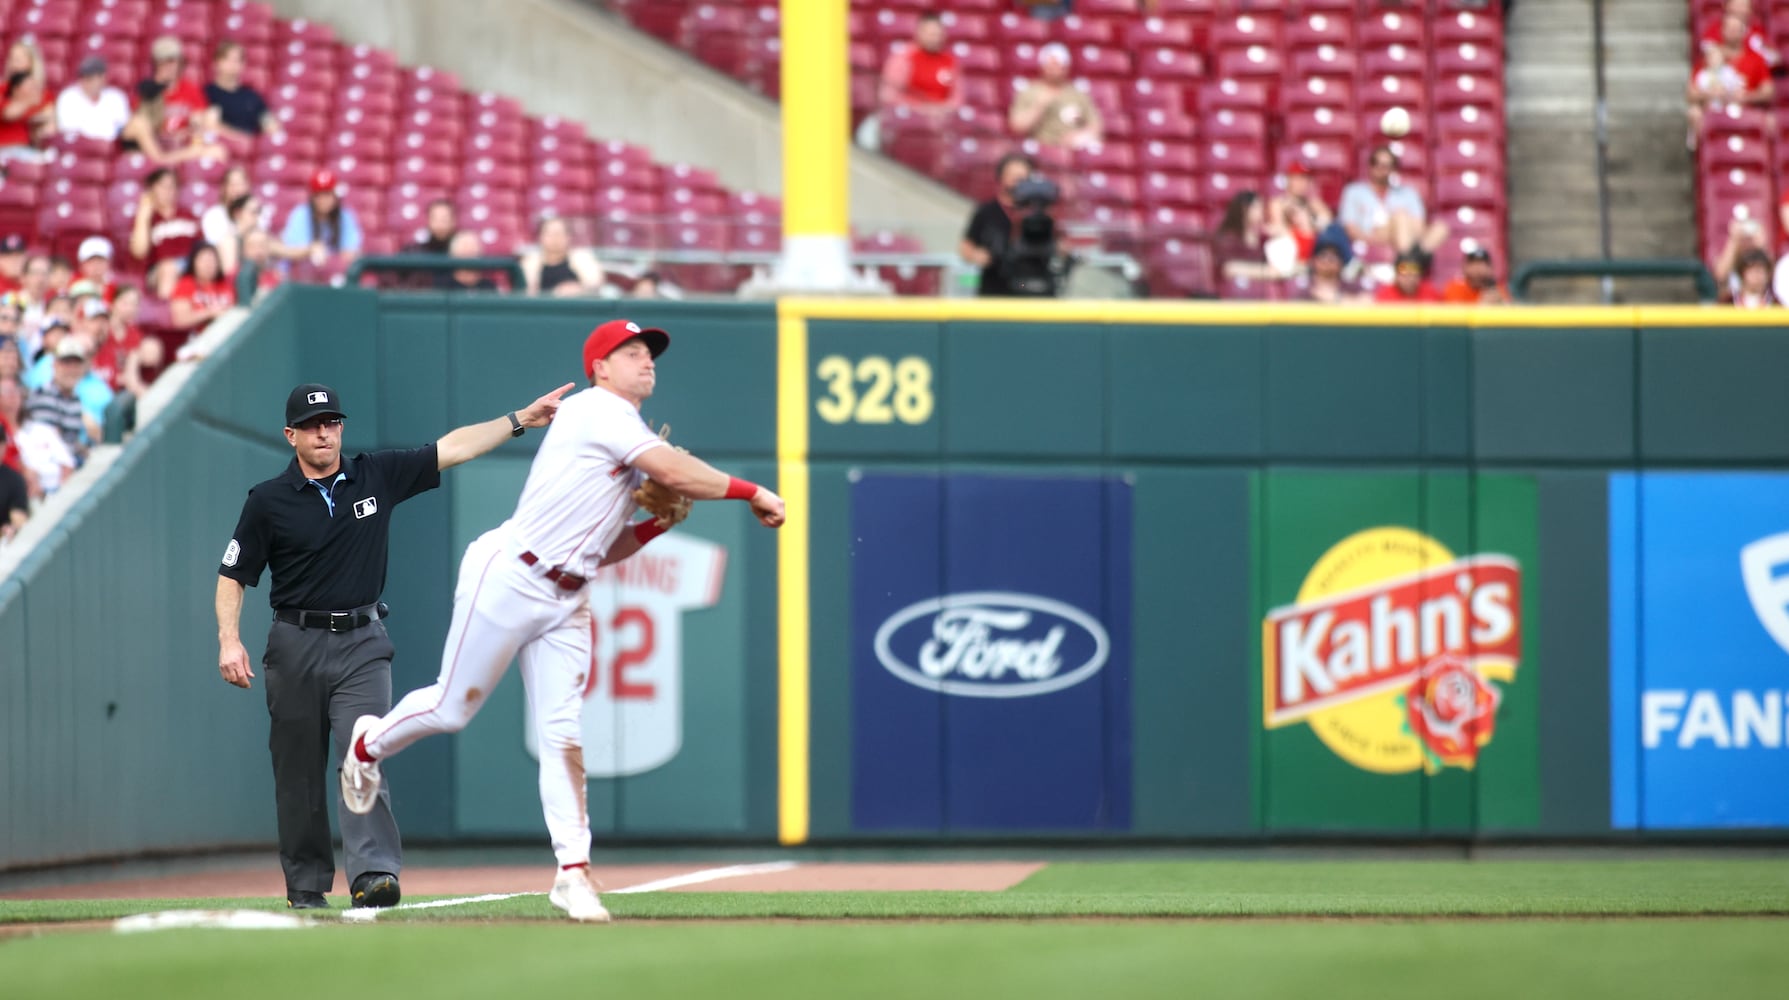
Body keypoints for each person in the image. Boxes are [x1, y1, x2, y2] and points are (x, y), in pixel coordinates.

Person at [337, 319, 786, 923]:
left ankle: (573, 873)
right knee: (451, 708)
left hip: (569, 599)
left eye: (649, 353)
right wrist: (752, 490)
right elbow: (679, 473)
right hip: (510, 574)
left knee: (563, 734)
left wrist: (655, 524)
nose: (646, 361)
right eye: (632, 352)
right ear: (600, 367)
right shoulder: (596, 411)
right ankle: (368, 744)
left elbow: (610, 549)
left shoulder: (630, 434)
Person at [215, 379, 575, 911]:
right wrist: (229, 640)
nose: (324, 433)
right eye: (312, 425)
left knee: (365, 751)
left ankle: (374, 873)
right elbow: (233, 574)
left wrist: (520, 418)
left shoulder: (373, 475)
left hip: (362, 641)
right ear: (291, 435)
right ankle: (307, 886)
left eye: (332, 422)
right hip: (294, 642)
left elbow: (453, 447)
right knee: (297, 774)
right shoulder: (267, 501)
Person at [857, 12, 961, 151]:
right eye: (930, 33)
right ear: (919, 32)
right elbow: (888, 95)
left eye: (937, 34)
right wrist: (923, 110)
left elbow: (956, 100)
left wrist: (938, 111)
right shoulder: (904, 58)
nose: (934, 38)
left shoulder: (950, 62)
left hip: (935, 127)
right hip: (905, 122)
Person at [1339, 146, 1448, 262]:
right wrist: (1379, 238)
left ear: (1393, 169)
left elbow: (1418, 227)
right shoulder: (1354, 192)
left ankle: (1411, 257)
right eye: (1376, 163)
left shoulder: (1408, 193)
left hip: (1408, 235)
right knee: (1400, 217)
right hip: (1373, 234)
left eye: (1386, 166)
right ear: (1370, 166)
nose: (1381, 169)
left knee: (1441, 228)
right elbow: (1350, 227)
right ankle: (1411, 261)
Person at [1686, 14, 1774, 149]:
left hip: (1746, 111)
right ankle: (1703, 158)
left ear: (1743, 32)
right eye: (1729, 28)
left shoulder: (1756, 59)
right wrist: (1711, 93)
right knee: (1695, 113)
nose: (1732, 32)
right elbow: (1691, 93)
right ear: (1722, 30)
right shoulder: (1709, 58)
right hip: (1714, 109)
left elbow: (1768, 92)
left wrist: (1746, 97)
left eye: (1736, 28)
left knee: (1770, 120)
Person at [959, 153, 1035, 297]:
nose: (1018, 182)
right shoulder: (986, 211)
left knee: (1024, 287)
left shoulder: (1035, 213)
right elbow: (966, 246)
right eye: (1013, 176)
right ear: (1001, 177)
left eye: (1023, 177)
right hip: (994, 284)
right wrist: (976, 255)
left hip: (1025, 284)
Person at [25, 335, 108, 459]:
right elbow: (47, 447)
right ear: (55, 365)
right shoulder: (44, 395)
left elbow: (70, 441)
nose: (71, 370)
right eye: (66, 363)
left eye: (76, 364)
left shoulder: (75, 399)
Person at [1009, 43, 1102, 150]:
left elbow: (1096, 125)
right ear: (1043, 66)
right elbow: (1017, 126)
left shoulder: (1077, 95)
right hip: (1043, 149)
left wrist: (1078, 136)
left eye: (1058, 65)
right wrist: (1039, 106)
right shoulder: (1029, 92)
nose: (1054, 70)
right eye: (1051, 65)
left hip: (1073, 149)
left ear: (1066, 67)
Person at [129, 167, 202, 299]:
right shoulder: (148, 218)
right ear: (152, 189)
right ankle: (165, 314)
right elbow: (139, 251)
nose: (168, 191)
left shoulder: (187, 215)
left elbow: (202, 246)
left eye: (172, 186)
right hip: (159, 270)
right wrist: (144, 215)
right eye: (163, 186)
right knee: (168, 268)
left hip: (190, 265)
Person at [277, 170, 363, 277]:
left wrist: (330, 260)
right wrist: (311, 249)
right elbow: (292, 251)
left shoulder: (345, 216)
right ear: (312, 196)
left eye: (327, 194)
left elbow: (351, 252)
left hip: (334, 277)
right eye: (318, 195)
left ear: (335, 196)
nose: (323, 200)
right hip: (299, 278)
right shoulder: (300, 214)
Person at [205, 41, 279, 140]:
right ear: (216, 63)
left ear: (243, 65)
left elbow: (269, 123)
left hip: (252, 150)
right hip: (222, 148)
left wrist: (272, 130)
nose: (232, 64)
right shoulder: (207, 93)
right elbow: (210, 125)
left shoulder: (252, 96)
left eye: (237, 60)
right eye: (227, 59)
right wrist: (240, 139)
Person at [1268, 163, 1334, 265]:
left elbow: (1327, 220)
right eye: (1297, 179)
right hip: (1291, 248)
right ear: (1289, 180)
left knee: (1333, 232)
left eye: (1305, 179)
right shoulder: (1278, 203)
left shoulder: (1312, 202)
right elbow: (1280, 229)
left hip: (1312, 247)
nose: (1302, 183)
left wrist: (1309, 223)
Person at [55, 55, 132, 143]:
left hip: (110, 148)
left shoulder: (116, 97)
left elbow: (122, 128)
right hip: (79, 147)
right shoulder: (68, 97)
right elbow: (68, 130)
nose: (88, 82)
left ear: (103, 78)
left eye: (92, 78)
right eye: (84, 77)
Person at [520, 216, 603, 296]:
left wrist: (579, 289)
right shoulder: (530, 263)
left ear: (568, 237)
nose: (555, 238)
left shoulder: (583, 260)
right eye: (549, 234)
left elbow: (594, 285)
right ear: (540, 237)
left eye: (559, 233)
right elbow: (523, 291)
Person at [0, 39, 54, 160]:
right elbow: (8, 114)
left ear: (31, 63)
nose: (14, 64)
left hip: (27, 150)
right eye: (11, 59)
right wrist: (27, 101)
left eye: (19, 60)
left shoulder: (43, 95)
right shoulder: (2, 90)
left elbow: (48, 129)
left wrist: (37, 128)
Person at [200, 165, 254, 273]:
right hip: (222, 265)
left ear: (247, 187)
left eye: (240, 184)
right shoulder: (213, 215)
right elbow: (215, 246)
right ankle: (230, 286)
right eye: (232, 185)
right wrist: (241, 230)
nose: (237, 189)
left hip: (252, 262)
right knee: (228, 243)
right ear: (224, 189)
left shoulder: (255, 212)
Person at [170, 242, 235, 331]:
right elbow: (180, 320)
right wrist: (209, 313)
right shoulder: (186, 284)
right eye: (204, 260)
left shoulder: (226, 284)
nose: (208, 265)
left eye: (212, 260)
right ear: (194, 262)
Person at [1292, 235, 1366, 304]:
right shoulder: (1304, 287)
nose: (1327, 260)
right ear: (1314, 260)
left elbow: (1367, 303)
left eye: (1333, 256)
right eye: (1323, 255)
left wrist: (1336, 298)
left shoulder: (1350, 286)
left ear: (1341, 262)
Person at [1441, 247, 1511, 304]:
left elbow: (1510, 313)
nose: (1477, 268)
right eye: (1473, 263)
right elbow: (1455, 316)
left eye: (1482, 263)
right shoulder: (1456, 286)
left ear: (1490, 268)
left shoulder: (1496, 289)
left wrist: (1501, 303)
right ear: (1464, 267)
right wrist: (1482, 304)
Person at [1374, 250, 1444, 303]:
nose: (1409, 279)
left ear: (1419, 276)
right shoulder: (1385, 296)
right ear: (1397, 276)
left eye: (1413, 275)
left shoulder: (1430, 293)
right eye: (1405, 275)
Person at [74, 237, 118, 303]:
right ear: (82, 265)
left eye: (100, 261)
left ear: (109, 263)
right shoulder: (73, 286)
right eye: (91, 261)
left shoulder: (116, 290)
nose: (96, 266)